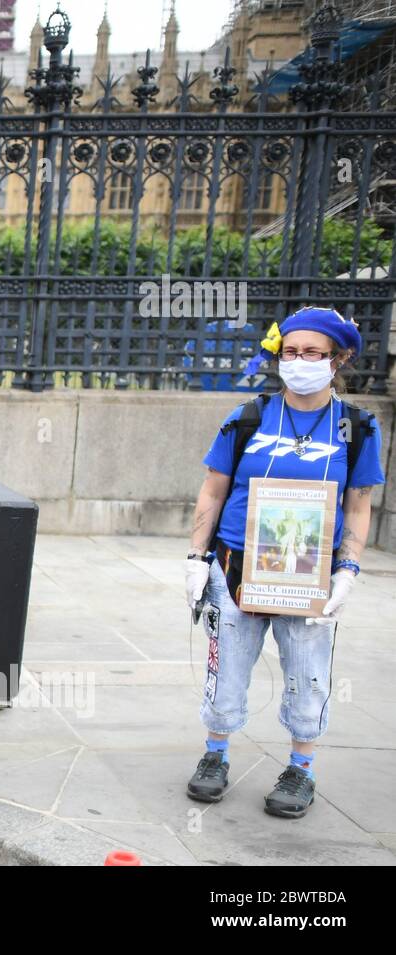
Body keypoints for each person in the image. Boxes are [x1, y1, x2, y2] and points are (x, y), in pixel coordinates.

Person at [184, 306, 385, 819]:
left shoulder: (356, 428)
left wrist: (349, 570)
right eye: (290, 352)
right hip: (235, 564)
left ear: (337, 359)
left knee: (308, 673)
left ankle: (301, 767)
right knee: (226, 667)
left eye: (312, 353)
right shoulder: (248, 417)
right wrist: (195, 557)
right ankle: (216, 753)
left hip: (308, 573)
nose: (299, 362)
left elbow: (359, 504)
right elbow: (213, 487)